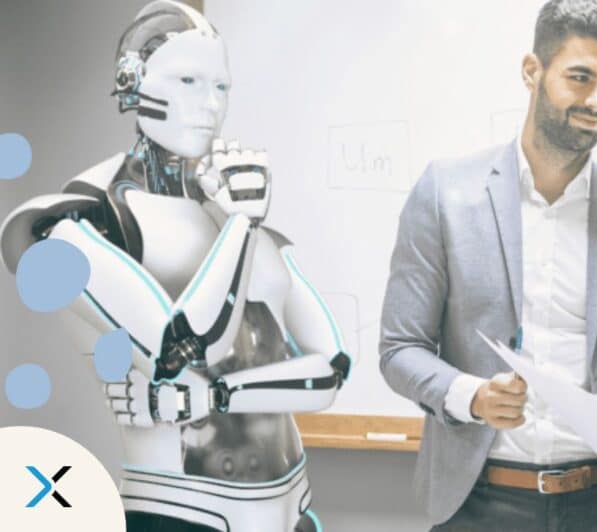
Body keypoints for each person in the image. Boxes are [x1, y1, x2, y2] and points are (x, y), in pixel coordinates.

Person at [0, 2, 351, 530]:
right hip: (181, 510)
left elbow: (332, 369)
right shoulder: (79, 221)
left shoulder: (232, 207)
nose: (210, 105)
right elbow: (185, 348)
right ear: (132, 80)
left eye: (221, 87)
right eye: (188, 81)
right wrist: (239, 225)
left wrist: (215, 395)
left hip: (293, 508)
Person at [378, 1, 597, 530]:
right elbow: (400, 348)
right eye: (581, 77)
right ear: (532, 71)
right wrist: (471, 396)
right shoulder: (445, 194)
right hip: (477, 502)